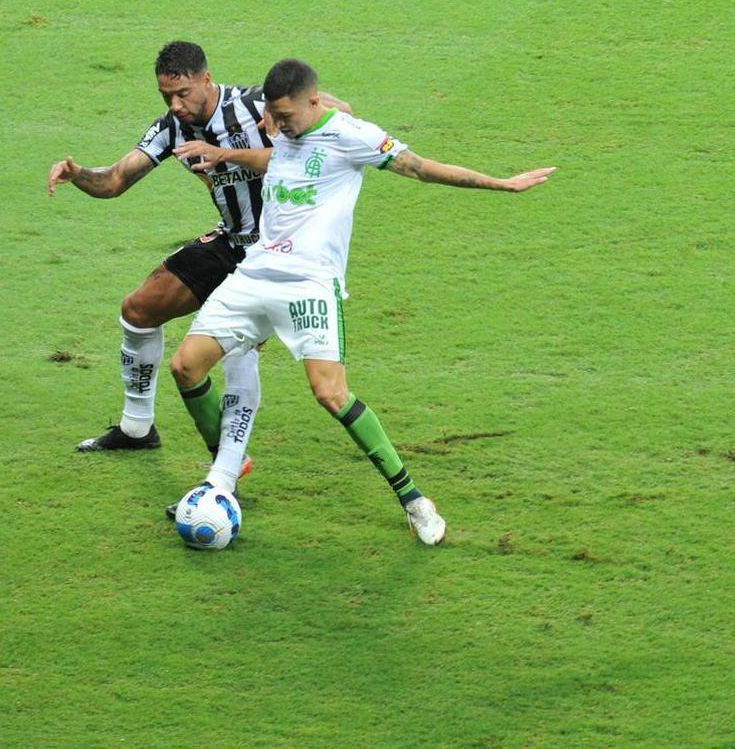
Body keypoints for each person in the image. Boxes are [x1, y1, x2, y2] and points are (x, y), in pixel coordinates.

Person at [168, 58, 556, 544]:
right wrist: (229, 155)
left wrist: (501, 182)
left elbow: (421, 169)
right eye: (274, 115)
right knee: (185, 367)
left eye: (286, 117)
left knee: (331, 395)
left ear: (315, 101)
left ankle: (415, 500)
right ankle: (222, 479)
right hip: (254, 274)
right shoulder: (285, 128)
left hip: (309, 283)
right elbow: (281, 159)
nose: (277, 126)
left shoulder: (354, 136)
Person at [48, 41, 352, 499]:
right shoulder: (173, 126)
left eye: (183, 93)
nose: (176, 105)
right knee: (138, 310)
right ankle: (137, 428)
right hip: (230, 240)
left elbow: (336, 108)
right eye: (166, 95)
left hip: (279, 252)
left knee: (238, 350)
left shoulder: (255, 105)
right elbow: (114, 180)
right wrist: (78, 175)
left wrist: (301, 124)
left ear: (207, 80)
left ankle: (226, 468)